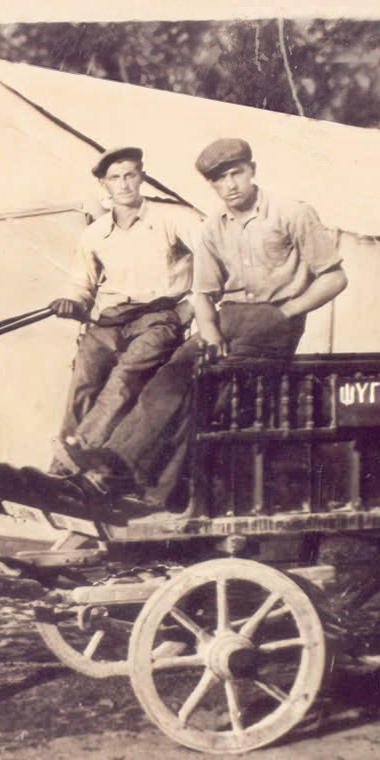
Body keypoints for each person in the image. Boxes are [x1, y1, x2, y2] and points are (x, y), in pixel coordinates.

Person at [75, 137, 348, 510]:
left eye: (236, 173)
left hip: (275, 320)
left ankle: (140, 485)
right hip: (226, 317)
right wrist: (210, 330)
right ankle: (115, 469)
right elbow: (203, 293)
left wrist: (285, 312)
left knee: (209, 390)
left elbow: (334, 278)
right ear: (211, 184)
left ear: (252, 171)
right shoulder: (214, 227)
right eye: (220, 179)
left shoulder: (292, 213)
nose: (230, 185)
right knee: (168, 378)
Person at [46, 147, 204, 475]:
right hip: (110, 321)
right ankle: (64, 469)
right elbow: (81, 283)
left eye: (130, 175)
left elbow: (214, 260)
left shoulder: (175, 219)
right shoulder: (95, 234)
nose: (124, 184)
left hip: (158, 318)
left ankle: (75, 455)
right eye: (115, 178)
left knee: (125, 377)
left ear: (141, 176)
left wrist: (192, 305)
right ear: (104, 184)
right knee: (84, 377)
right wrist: (72, 302)